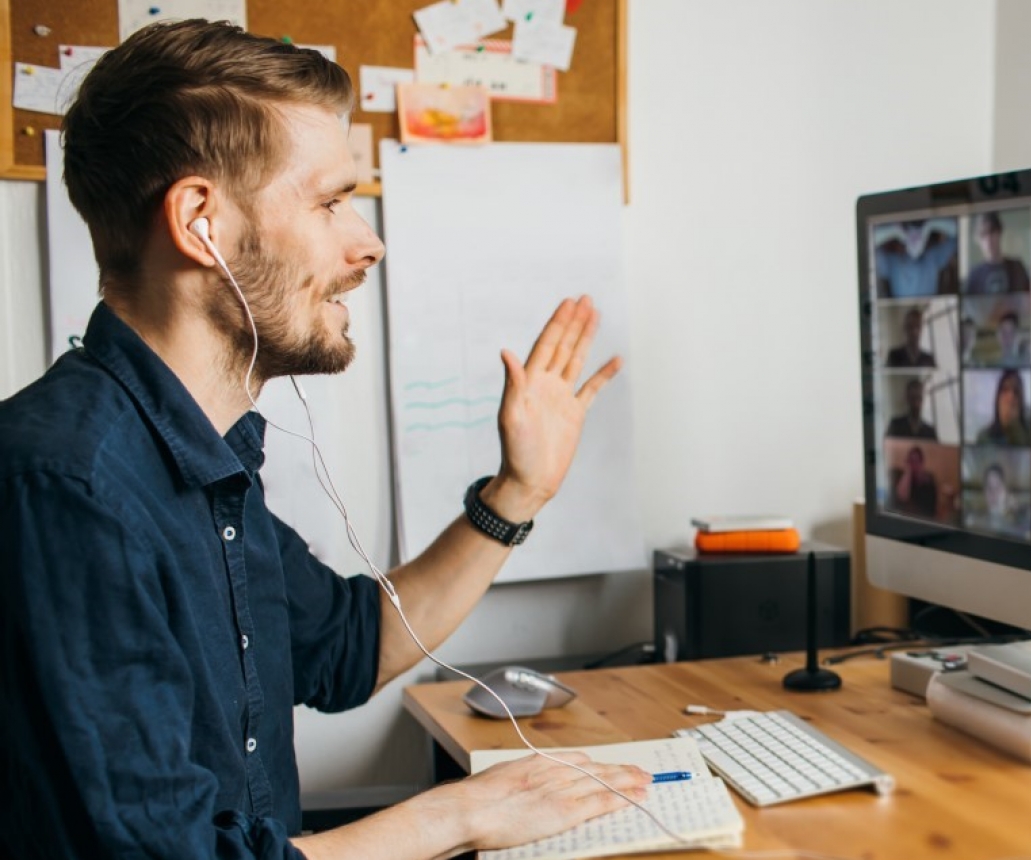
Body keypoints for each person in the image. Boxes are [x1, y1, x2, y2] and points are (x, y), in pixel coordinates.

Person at [0, 21, 651, 859]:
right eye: (331, 202)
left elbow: (349, 648)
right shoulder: (68, 486)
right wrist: (454, 814)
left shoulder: (201, 453)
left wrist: (516, 493)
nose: (367, 243)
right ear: (201, 222)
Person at [875, 219, 958, 298]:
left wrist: (896, 232)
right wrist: (929, 225)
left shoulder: (890, 264)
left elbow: (868, 241)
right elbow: (959, 232)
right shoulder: (934, 258)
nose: (914, 242)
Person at [964, 212, 1030, 294]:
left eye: (992, 232)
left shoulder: (1017, 268)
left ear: (999, 232)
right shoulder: (974, 276)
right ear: (978, 239)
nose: (988, 240)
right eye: (983, 234)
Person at [977, 370, 1029, 446]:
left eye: (1016, 392)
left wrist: (1016, 429)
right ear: (997, 399)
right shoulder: (984, 437)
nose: (1010, 397)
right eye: (1005, 390)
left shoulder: (1029, 435)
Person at [892, 445, 939, 518]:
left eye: (916, 461)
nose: (914, 464)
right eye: (911, 461)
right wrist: (908, 471)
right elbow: (902, 497)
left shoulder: (928, 481)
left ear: (922, 462)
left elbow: (930, 511)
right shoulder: (905, 477)